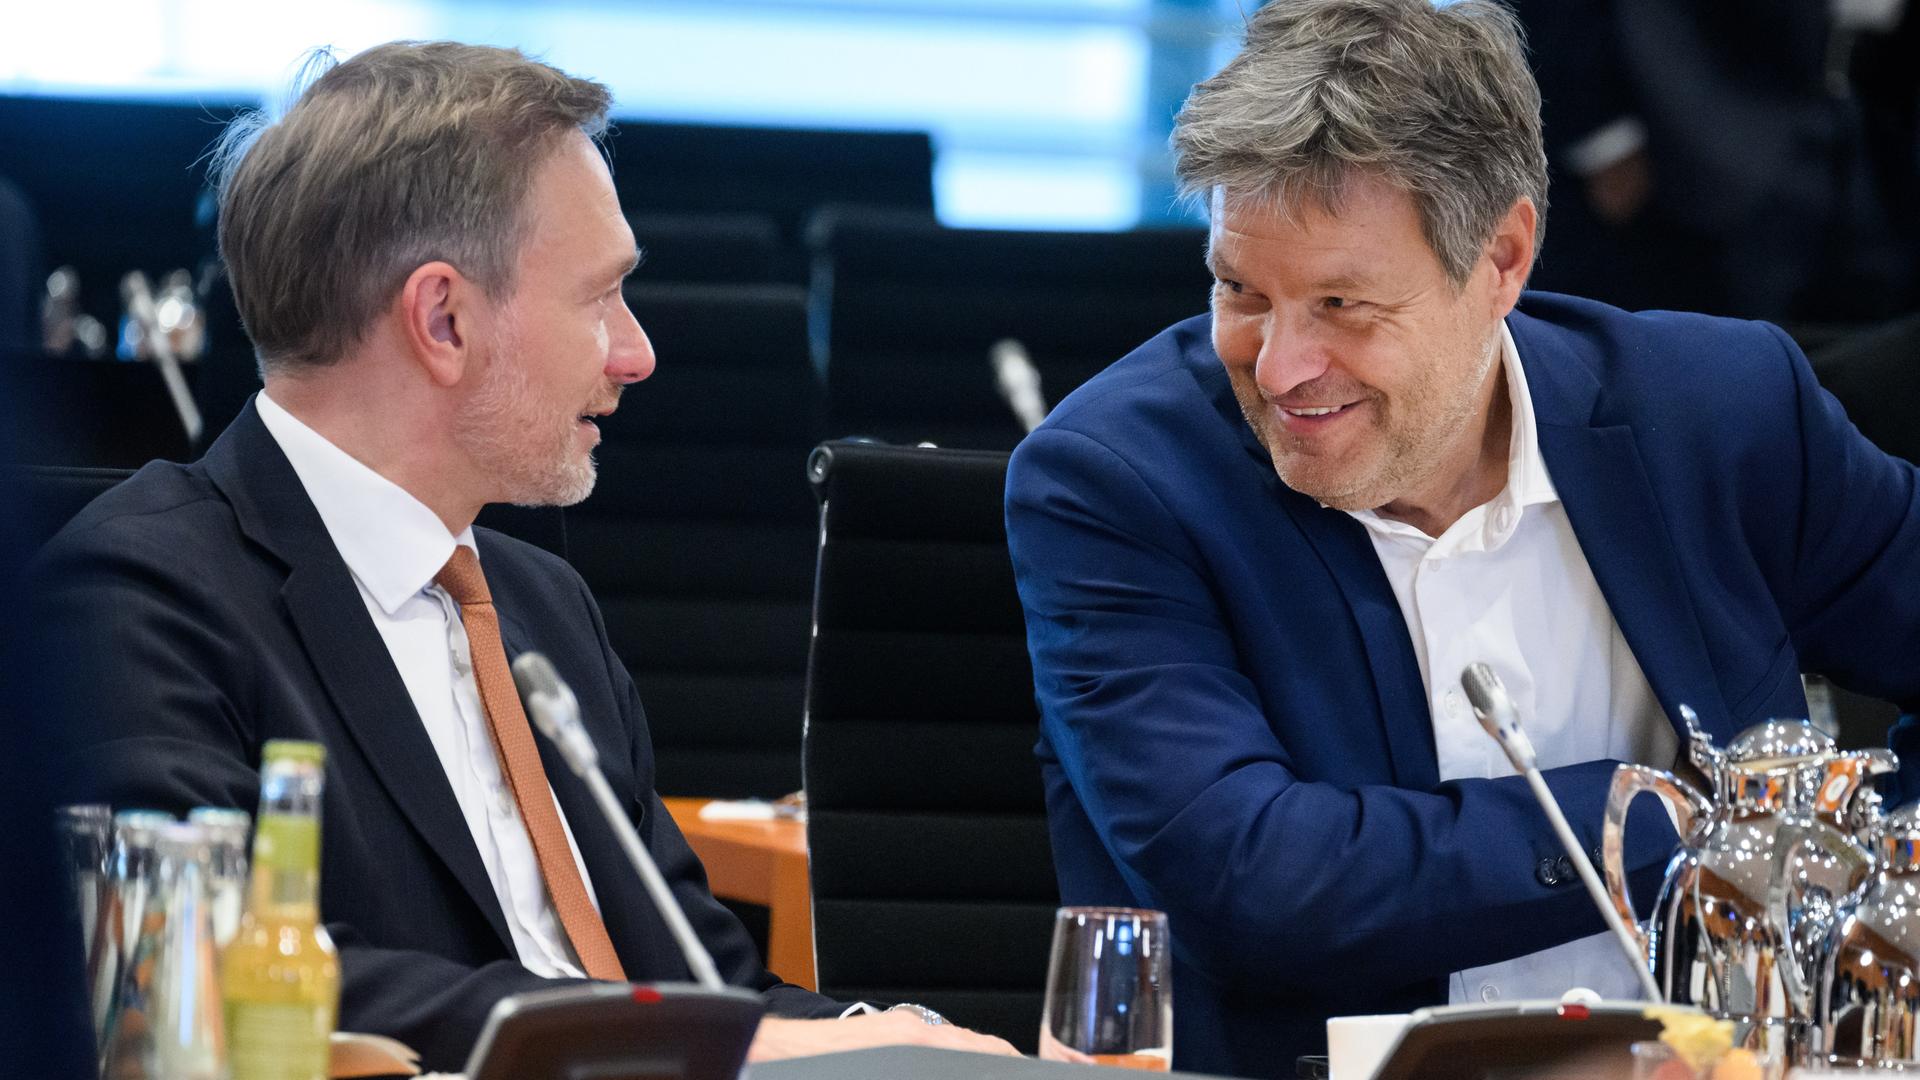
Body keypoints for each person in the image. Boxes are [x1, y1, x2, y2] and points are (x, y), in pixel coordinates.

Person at [32, 41, 1013, 1072]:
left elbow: (703, 979)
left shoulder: (543, 605)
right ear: (444, 319)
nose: (636, 353)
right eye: (600, 297)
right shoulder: (137, 598)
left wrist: (909, 1049)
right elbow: (225, 969)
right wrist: (720, 1041)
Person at [1002, 1, 1920, 1076]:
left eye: (1343, 304)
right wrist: (1667, 821)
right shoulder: (1115, 484)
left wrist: (1870, 866)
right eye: (1239, 291)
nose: (1281, 363)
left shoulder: (1720, 414)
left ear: (1503, 260)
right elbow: (1257, 886)